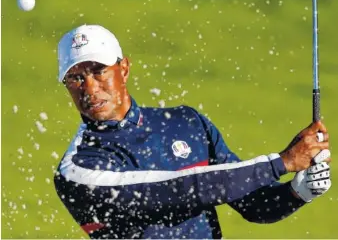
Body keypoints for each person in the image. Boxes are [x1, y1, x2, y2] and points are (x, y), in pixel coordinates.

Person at [54, 24, 332, 239]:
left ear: (124, 69)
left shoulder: (186, 122)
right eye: (76, 78)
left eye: (99, 71)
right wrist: (283, 162)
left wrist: (297, 192)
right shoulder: (76, 171)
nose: (89, 89)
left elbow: (253, 203)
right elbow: (179, 189)